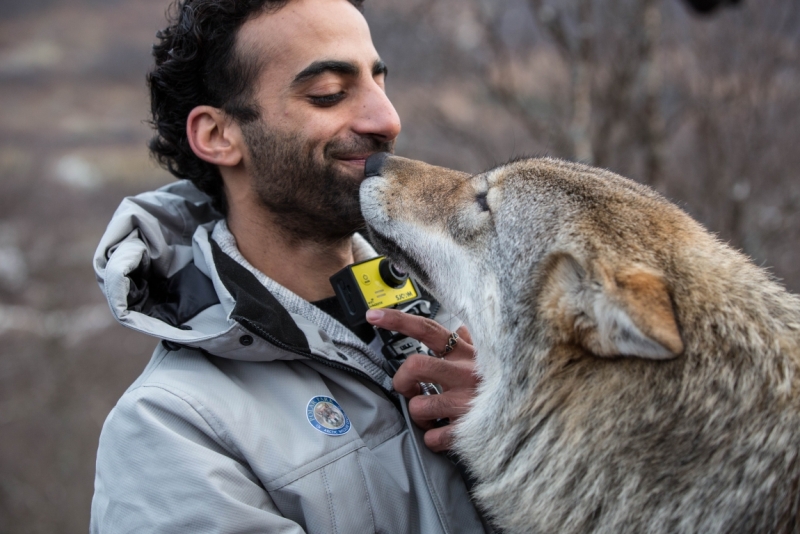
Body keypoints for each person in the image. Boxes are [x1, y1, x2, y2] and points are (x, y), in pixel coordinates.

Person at [90, 0, 489, 531]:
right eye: (328, 94)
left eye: (379, 81)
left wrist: (527, 430)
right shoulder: (173, 429)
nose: (386, 120)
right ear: (217, 135)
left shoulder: (471, 328)